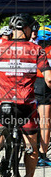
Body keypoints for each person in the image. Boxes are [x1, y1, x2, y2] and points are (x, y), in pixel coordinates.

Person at [0, 14, 51, 177]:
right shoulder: (36, 50)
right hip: (25, 105)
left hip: (2, 103)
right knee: (32, 147)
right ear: (26, 29)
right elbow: (49, 78)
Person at [36, 26, 51, 166]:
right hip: (44, 85)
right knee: (45, 121)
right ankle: (43, 155)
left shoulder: (32, 48)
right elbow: (49, 78)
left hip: (29, 83)